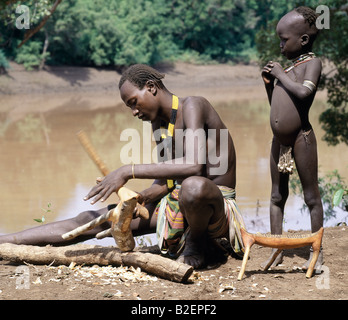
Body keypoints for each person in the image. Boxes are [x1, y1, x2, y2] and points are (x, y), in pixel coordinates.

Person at [0, 64, 245, 269]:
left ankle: (197, 245)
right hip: (179, 205)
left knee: (193, 187)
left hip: (216, 211)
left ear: (151, 87)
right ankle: (7, 242)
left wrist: (127, 170)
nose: (133, 111)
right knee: (95, 218)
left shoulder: (194, 105)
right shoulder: (159, 124)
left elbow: (193, 167)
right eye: (129, 106)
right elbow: (167, 182)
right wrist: (140, 198)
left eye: (134, 102)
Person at [261, 7, 324, 270]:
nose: (280, 44)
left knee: (311, 197)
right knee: (276, 196)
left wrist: (279, 75)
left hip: (301, 138)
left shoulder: (313, 64)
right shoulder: (287, 69)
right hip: (279, 142)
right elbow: (276, 108)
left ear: (304, 40)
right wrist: (269, 85)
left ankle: (316, 253)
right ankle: (276, 248)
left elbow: (303, 95)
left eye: (284, 39)